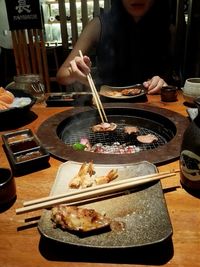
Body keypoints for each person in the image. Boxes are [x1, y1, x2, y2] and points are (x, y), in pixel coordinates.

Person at [57, 0, 174, 94]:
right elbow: (61, 75)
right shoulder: (99, 25)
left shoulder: (166, 28)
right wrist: (74, 72)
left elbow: (173, 80)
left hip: (152, 105)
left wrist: (163, 85)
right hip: (108, 105)